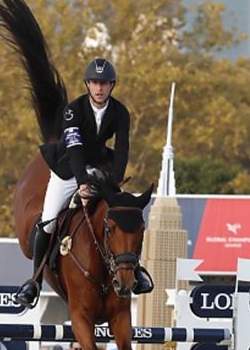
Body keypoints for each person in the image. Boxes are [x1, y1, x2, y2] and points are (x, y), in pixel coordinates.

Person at [13, 58, 152, 307]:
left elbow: (122, 150)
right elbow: (75, 149)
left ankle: (137, 271)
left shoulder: (120, 112)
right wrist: (82, 184)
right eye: (95, 83)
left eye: (105, 84)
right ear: (88, 84)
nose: (99, 88)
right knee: (49, 220)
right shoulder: (73, 111)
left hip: (101, 167)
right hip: (68, 169)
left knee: (122, 215)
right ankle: (34, 282)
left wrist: (116, 180)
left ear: (112, 85)